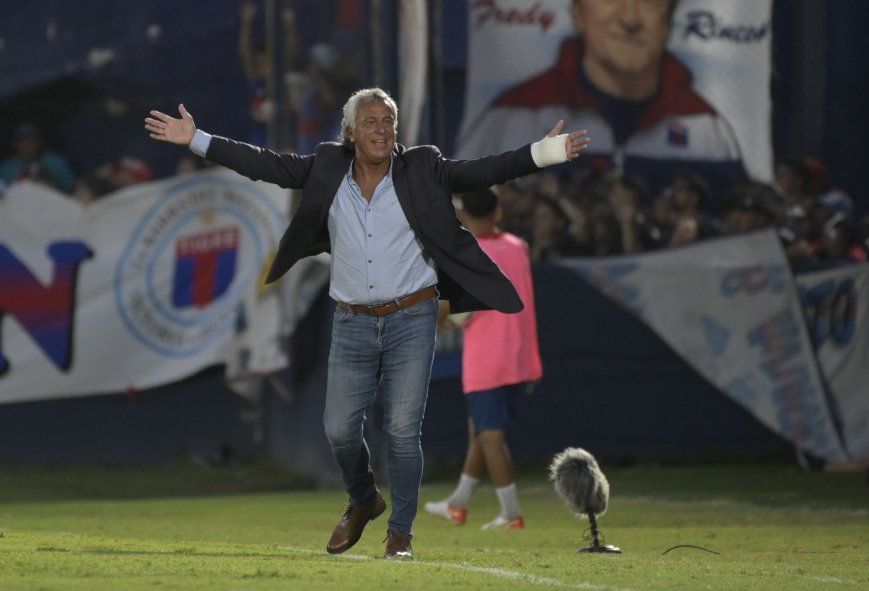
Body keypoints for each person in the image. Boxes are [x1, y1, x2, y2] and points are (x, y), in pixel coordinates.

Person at [145, 88, 589, 560]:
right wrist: (198, 140)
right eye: (371, 121)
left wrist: (546, 151)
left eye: (388, 121)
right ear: (351, 131)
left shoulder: (423, 167)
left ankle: (401, 533)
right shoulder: (326, 166)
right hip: (352, 319)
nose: (380, 129)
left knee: (401, 428)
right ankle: (363, 500)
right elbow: (265, 164)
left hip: (413, 316)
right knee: (338, 429)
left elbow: (483, 170)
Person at [457, 0, 745, 200]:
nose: (630, 19)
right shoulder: (510, 116)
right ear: (578, 14)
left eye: (650, 2)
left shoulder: (707, 128)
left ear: (668, 23)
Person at [424, 188, 542, 530]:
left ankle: (511, 513)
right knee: (481, 431)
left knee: (490, 436)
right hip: (521, 354)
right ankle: (457, 504)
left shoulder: (466, 254)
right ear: (498, 212)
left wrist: (439, 316)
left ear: (463, 215)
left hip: (488, 358)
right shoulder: (520, 247)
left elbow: (446, 310)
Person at [0, 123, 75, 192]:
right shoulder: (6, 168)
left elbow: (70, 188)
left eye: (31, 141)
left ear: (39, 142)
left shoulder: (56, 162)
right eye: (22, 142)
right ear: (15, 144)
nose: (27, 146)